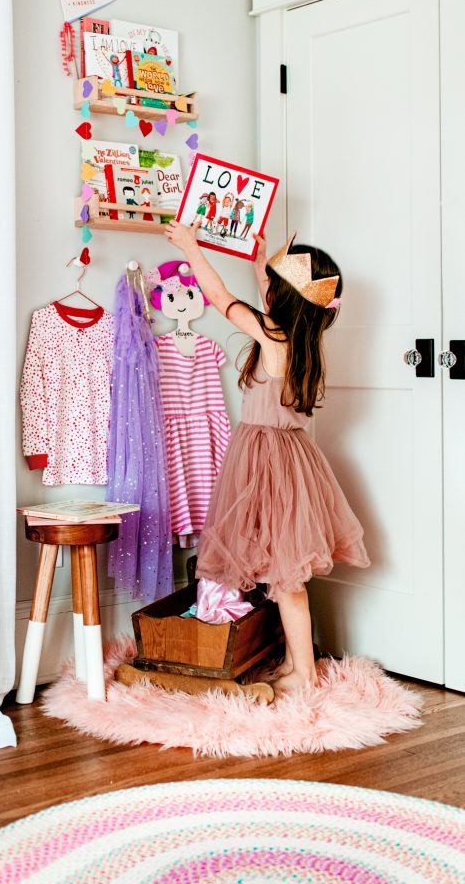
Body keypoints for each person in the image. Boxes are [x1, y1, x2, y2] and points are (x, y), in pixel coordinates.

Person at [164, 223, 370, 694]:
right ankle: (301, 665)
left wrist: (192, 249)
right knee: (285, 574)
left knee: (285, 578)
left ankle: (305, 674)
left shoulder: (273, 334)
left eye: (273, 286)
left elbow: (218, 298)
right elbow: (273, 296)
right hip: (291, 458)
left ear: (283, 298)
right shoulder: (302, 338)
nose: (266, 292)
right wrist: (259, 262)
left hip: (265, 460)